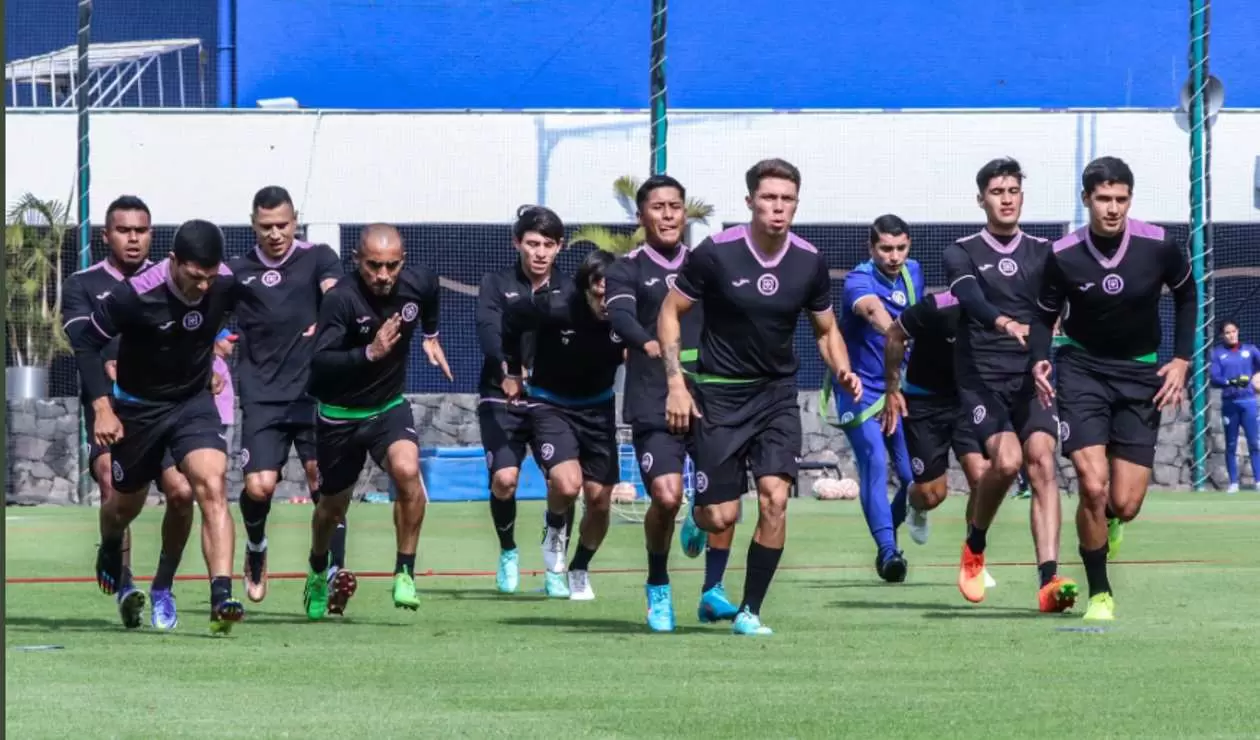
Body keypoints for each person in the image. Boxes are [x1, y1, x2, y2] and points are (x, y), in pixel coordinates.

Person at [658, 158, 862, 636]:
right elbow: (670, 312)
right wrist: (674, 383)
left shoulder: (809, 261)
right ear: (750, 201)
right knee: (719, 515)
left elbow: (826, 329)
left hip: (775, 398)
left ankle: (750, 610)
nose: (778, 207)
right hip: (720, 398)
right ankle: (700, 512)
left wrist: (843, 368)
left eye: (787, 199)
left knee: (775, 499)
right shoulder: (715, 253)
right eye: (769, 198)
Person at [1031, 156, 1196, 621]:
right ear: (1087, 199)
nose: (1113, 208)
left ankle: (1113, 521)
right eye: (1103, 199)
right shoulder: (1062, 253)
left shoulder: (1160, 246)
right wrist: (1039, 358)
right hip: (1081, 369)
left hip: (1141, 375)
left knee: (1124, 501)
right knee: (1092, 484)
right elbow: (1043, 314)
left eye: (1121, 199)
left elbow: (1187, 296)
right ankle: (1100, 592)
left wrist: (1181, 360)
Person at [71, 219, 244, 635]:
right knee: (123, 506)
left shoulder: (222, 283)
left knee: (207, 485)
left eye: (209, 277)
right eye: (194, 276)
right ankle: (111, 546)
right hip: (137, 410)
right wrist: (102, 408)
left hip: (190, 403)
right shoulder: (134, 296)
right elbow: (86, 344)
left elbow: (243, 313)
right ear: (173, 261)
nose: (203, 286)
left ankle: (218, 595)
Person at [605, 174, 739, 632]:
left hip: (712, 396)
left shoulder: (709, 263)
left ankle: (712, 591)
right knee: (665, 495)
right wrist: (649, 345)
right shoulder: (626, 268)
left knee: (720, 507)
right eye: (658, 207)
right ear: (641, 216)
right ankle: (658, 589)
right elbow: (619, 315)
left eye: (675, 206)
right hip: (653, 397)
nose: (667, 214)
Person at [944, 157, 1075, 611]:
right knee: (1005, 461)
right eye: (997, 191)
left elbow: (1053, 309)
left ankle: (1049, 580)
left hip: (1030, 373)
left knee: (1041, 460)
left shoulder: (1044, 252)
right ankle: (975, 545)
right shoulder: (960, 250)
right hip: (980, 374)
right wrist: (1004, 324)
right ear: (981, 198)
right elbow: (970, 298)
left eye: (1013, 191)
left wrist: (1047, 344)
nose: (1006, 199)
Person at [61, 195, 195, 631]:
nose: (133, 238)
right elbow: (85, 341)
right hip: (110, 408)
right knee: (110, 485)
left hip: (164, 406)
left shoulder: (172, 279)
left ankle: (163, 586)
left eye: (141, 230)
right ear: (107, 236)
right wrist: (107, 374)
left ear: (151, 235)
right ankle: (125, 585)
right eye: (124, 230)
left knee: (180, 492)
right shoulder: (83, 284)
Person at [304, 224, 451, 619]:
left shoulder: (415, 283)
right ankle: (318, 570)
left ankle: (404, 573)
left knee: (408, 473)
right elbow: (320, 361)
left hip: (387, 408)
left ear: (401, 262)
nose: (383, 276)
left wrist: (431, 334)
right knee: (331, 510)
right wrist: (369, 353)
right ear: (357, 260)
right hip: (339, 417)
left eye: (391, 266)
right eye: (374, 266)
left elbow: (432, 287)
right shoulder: (340, 300)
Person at [227, 186, 348, 611]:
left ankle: (330, 573)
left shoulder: (318, 256)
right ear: (253, 224)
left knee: (324, 484)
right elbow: (213, 318)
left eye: (282, 224)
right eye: (266, 227)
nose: (275, 233)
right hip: (262, 397)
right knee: (259, 487)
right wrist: (216, 344)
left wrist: (331, 316)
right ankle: (257, 546)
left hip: (315, 395)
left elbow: (335, 291)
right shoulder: (237, 272)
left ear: (295, 220)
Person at [502, 249, 625, 601]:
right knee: (567, 485)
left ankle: (580, 567)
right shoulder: (555, 307)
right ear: (586, 288)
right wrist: (513, 370)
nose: (606, 303)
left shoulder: (626, 314)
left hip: (599, 407)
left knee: (600, 501)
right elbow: (512, 318)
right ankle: (554, 526)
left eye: (611, 295)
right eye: (599, 295)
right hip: (550, 403)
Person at [881, 290, 999, 589]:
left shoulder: (998, 311)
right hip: (923, 404)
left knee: (982, 477)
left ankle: (974, 560)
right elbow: (895, 334)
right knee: (933, 495)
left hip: (967, 401)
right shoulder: (937, 306)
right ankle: (915, 502)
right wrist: (892, 389)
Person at [475, 205, 564, 594]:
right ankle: (508, 551)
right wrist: (507, 369)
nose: (540, 252)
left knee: (563, 483)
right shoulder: (496, 283)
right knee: (505, 480)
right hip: (501, 396)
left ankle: (555, 561)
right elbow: (488, 330)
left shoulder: (570, 289)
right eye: (532, 243)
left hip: (554, 399)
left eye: (547, 244)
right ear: (518, 243)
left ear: (559, 247)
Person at [836, 214, 922, 582]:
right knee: (873, 459)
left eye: (900, 248)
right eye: (885, 248)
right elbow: (874, 312)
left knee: (912, 477)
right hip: (858, 390)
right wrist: (896, 334)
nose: (894, 256)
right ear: (871, 248)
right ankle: (888, 552)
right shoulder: (858, 280)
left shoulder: (913, 272)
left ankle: (899, 519)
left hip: (898, 390)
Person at [1210, 321, 1260, 492]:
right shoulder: (1217, 354)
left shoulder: (1250, 350)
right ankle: (1233, 483)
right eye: (1227, 332)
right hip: (1230, 404)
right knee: (1231, 444)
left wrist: (1257, 379)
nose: (1231, 335)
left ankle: (1258, 481)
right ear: (1222, 335)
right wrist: (1231, 382)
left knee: (1254, 442)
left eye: (1233, 331)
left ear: (1238, 332)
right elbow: (1215, 378)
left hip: (1249, 402)